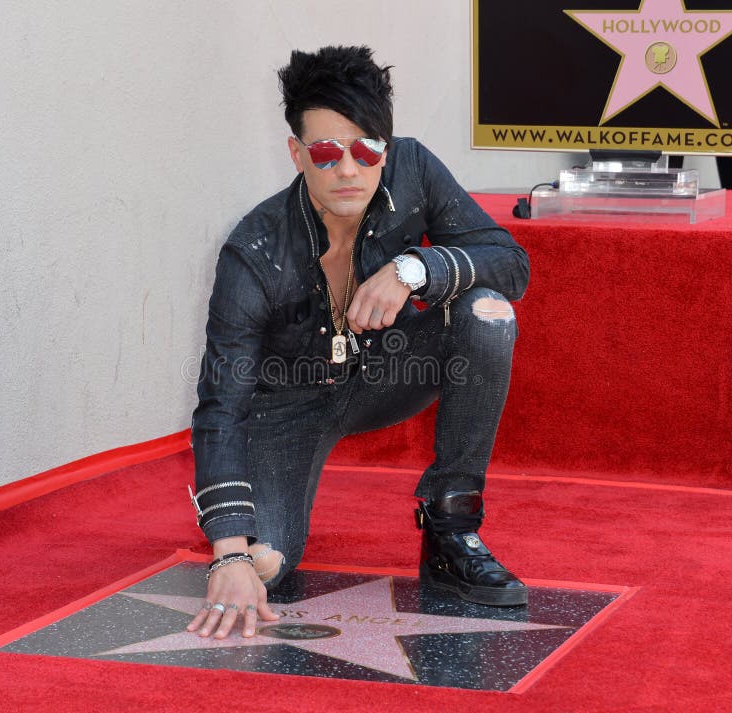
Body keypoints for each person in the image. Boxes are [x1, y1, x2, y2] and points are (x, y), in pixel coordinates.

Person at [186, 45, 531, 640]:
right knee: (264, 564)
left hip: (385, 375)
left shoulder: (415, 170)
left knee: (488, 312)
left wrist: (415, 270)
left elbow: (509, 262)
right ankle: (254, 542)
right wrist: (229, 554)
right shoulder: (254, 251)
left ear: (386, 148)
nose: (348, 169)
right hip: (287, 406)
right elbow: (222, 404)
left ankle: (451, 528)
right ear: (296, 154)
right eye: (324, 152)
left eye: (367, 149)